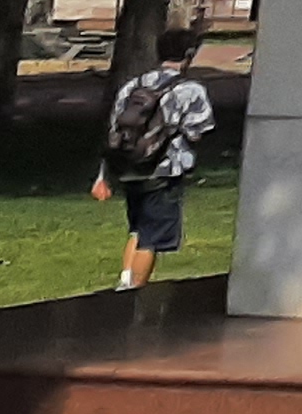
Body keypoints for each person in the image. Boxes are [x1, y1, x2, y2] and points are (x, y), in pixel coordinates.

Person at [92, 26, 216, 290]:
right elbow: (198, 131)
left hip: (129, 167)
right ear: (189, 54)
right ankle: (134, 291)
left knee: (137, 229)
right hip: (164, 170)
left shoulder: (133, 86)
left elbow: (115, 130)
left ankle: (124, 280)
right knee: (152, 238)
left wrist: (104, 175)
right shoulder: (190, 90)